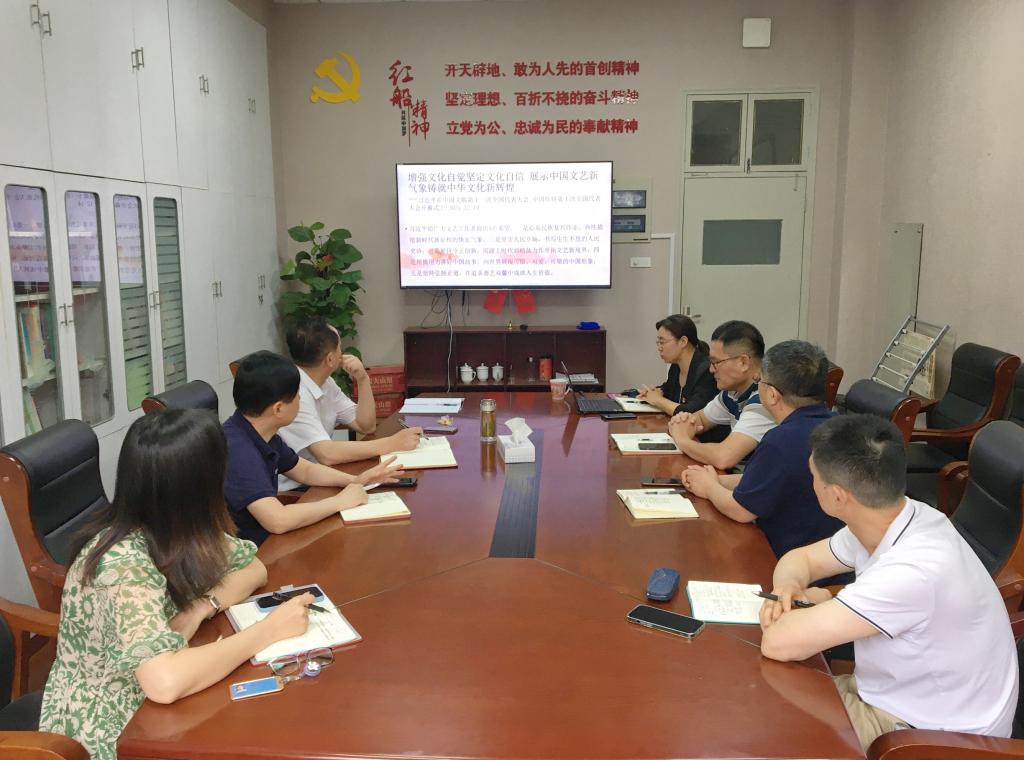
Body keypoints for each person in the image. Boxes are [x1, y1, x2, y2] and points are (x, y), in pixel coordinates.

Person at [38, 409, 316, 760]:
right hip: (114, 724)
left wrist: (201, 607)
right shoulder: (122, 562)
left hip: (166, 700)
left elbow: (253, 568)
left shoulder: (180, 525)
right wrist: (269, 630)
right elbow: (164, 682)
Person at [758, 414, 1018, 753]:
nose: (811, 484)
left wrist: (803, 609)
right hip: (897, 697)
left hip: (935, 738)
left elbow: (778, 643)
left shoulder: (912, 570)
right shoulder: (899, 516)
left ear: (837, 496)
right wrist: (786, 589)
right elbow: (801, 559)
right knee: (764, 697)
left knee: (766, 722)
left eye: (814, 477)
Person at [682, 340, 843, 558]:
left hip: (786, 558)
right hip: (834, 554)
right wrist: (716, 480)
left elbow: (742, 510)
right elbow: (770, 481)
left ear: (772, 395)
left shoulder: (780, 441)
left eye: (759, 381)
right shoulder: (839, 426)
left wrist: (710, 487)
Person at [225, 350, 404, 545]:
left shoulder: (261, 432)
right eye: (297, 396)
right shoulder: (238, 450)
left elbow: (304, 470)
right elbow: (278, 520)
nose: (300, 400)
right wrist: (340, 502)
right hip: (251, 550)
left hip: (268, 540)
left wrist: (354, 480)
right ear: (278, 409)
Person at [278, 317, 422, 490]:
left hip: (323, 475)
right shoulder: (295, 394)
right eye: (340, 347)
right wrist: (392, 443)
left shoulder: (326, 382)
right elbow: (327, 454)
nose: (342, 352)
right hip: (297, 488)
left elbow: (366, 426)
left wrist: (362, 378)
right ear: (330, 359)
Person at [667, 320, 774, 469]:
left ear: (743, 362)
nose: (711, 370)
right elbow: (698, 420)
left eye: (716, 362)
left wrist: (683, 440)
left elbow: (723, 457)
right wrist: (681, 424)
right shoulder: (731, 393)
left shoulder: (765, 399)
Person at [636, 314, 717, 416]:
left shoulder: (707, 370)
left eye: (662, 342)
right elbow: (668, 388)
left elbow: (693, 412)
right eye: (658, 342)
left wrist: (657, 400)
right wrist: (657, 391)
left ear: (683, 341)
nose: (659, 348)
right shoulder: (676, 366)